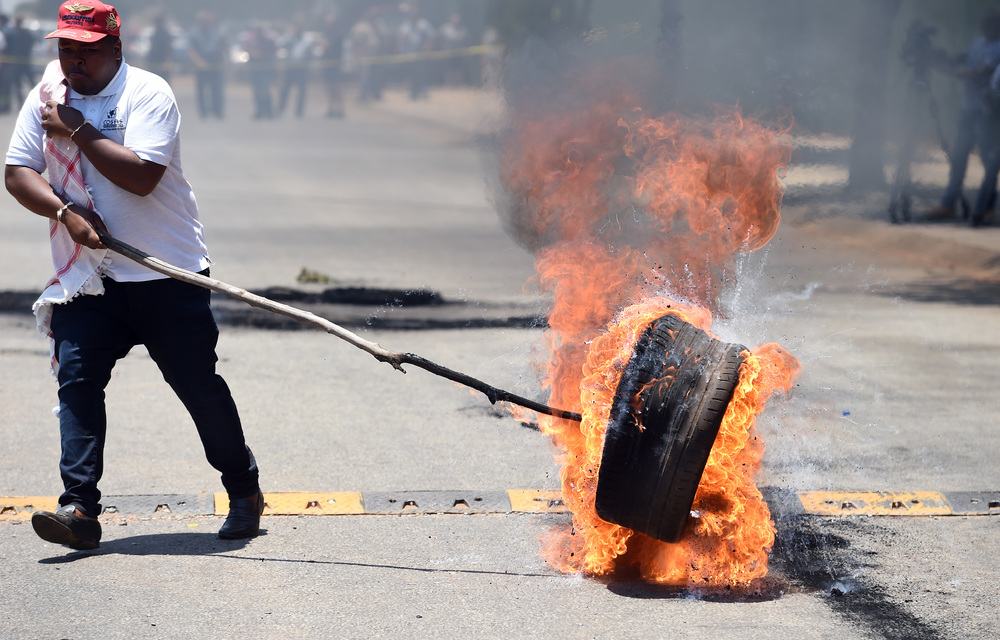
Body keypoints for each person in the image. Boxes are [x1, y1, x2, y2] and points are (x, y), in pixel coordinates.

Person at [4, 1, 263, 551]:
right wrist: (63, 212)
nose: (73, 61)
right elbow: (18, 172)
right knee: (76, 384)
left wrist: (76, 130)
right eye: (65, 49)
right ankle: (79, 509)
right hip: (91, 278)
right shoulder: (48, 95)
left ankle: (243, 490)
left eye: (87, 50)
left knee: (197, 388)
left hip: (167, 275)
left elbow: (141, 178)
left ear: (115, 49)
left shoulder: (147, 93)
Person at [926, 10, 1000, 220]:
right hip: (967, 108)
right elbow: (962, 57)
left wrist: (951, 70)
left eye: (991, 24)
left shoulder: (998, 48)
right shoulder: (979, 42)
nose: (986, 28)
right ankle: (948, 204)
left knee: (989, 161)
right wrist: (943, 58)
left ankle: (988, 207)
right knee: (958, 157)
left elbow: (981, 72)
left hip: (986, 112)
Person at [187, 11, 227, 119]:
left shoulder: (216, 31)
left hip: (215, 63)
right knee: (201, 89)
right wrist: (198, 61)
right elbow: (191, 49)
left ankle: (217, 110)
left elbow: (222, 46)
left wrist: (223, 60)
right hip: (201, 64)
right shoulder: (194, 32)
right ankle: (203, 112)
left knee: (216, 88)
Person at [277, 20, 312, 118]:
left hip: (302, 68)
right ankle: (281, 108)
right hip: (290, 67)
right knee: (285, 88)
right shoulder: (289, 38)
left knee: (301, 90)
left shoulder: (307, 40)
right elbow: (280, 44)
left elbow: (310, 54)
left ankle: (299, 111)